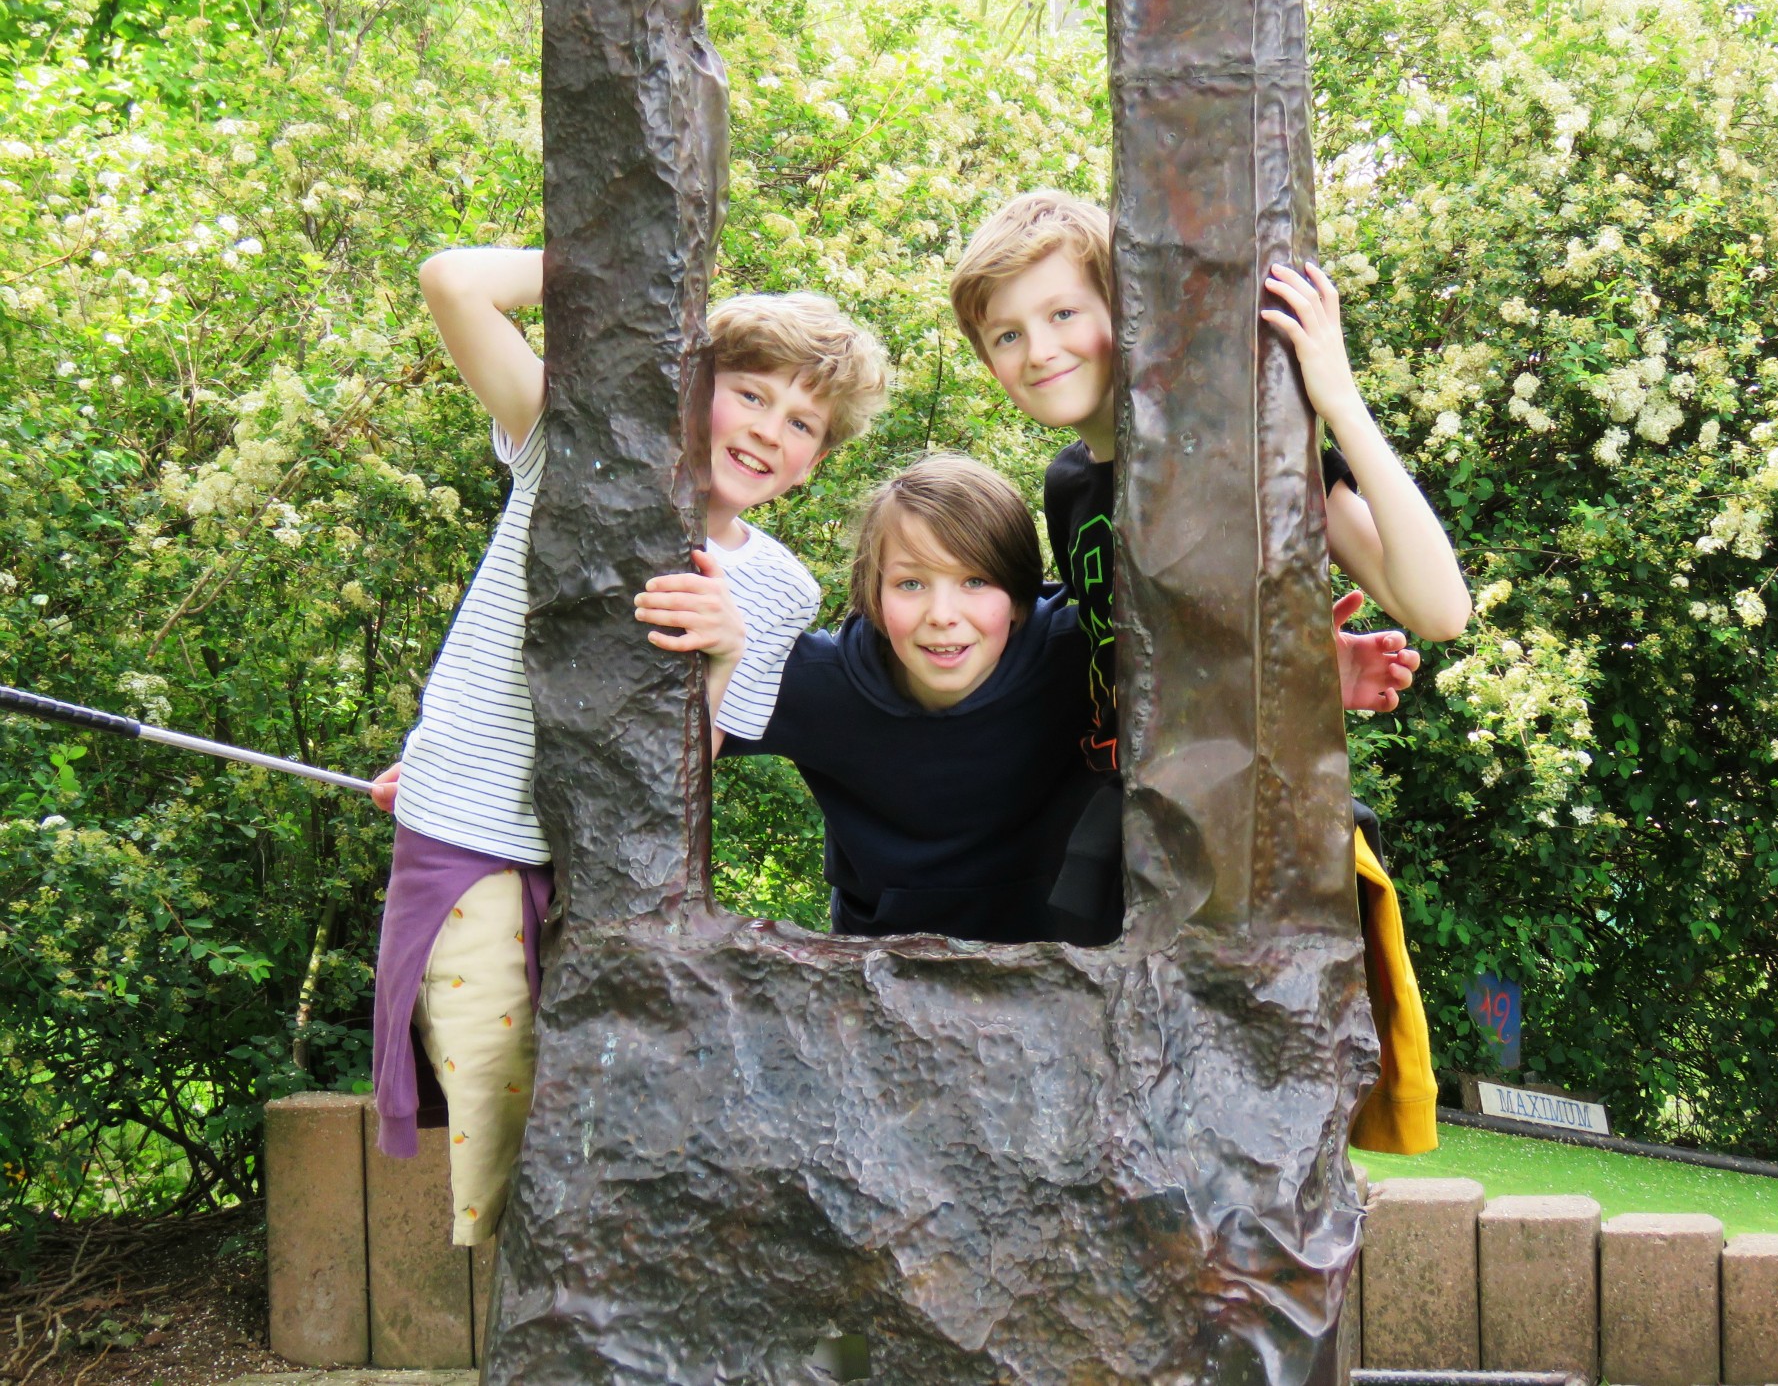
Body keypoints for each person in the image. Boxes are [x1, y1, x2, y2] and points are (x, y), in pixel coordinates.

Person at [369, 247, 888, 1244]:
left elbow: (697, 762)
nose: (769, 431)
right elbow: (449, 282)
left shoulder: (779, 588)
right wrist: (643, 281)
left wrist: (724, 651)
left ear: (815, 461)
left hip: (613, 886)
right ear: (691, 385)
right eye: (750, 394)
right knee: (496, 1118)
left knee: (600, 1138)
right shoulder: (569, 450)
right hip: (474, 837)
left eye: (801, 424)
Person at [948, 192, 1470, 1152]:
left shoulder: (1242, 448)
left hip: (1254, 847)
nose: (1039, 350)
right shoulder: (1068, 488)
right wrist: (1297, 666)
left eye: (1065, 313)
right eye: (1007, 335)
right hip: (1120, 837)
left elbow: (1438, 608)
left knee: (1244, 1122)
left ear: (1125, 309)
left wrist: (1335, 397)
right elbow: (1131, 654)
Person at [642, 452, 1106, 944]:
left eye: (975, 580)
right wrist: (721, 656)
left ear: (1017, 597)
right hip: (880, 969)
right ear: (875, 598)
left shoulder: (1082, 659)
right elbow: (665, 760)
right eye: (911, 583)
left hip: (1059, 965)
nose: (942, 614)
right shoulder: (821, 684)